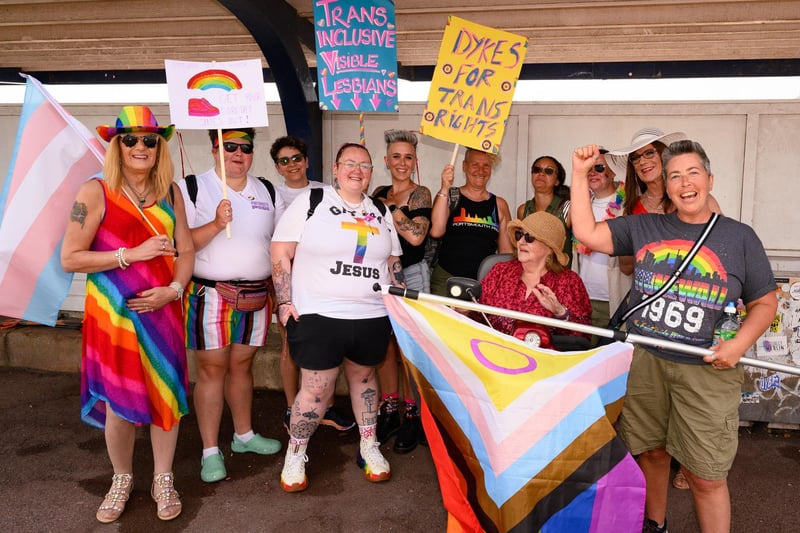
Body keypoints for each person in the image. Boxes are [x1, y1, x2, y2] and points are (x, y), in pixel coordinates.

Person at [570, 141, 777, 533]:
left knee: (706, 475)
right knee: (650, 452)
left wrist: (738, 345)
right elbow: (586, 232)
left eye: (693, 173)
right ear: (666, 185)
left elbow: (765, 302)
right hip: (646, 361)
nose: (685, 183)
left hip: (707, 370)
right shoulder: (645, 226)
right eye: (675, 176)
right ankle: (655, 525)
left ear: (710, 179)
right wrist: (580, 174)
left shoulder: (739, 237)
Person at [61, 105, 194, 522]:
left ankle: (163, 477)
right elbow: (71, 258)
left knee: (164, 396)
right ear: (117, 146)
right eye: (131, 139)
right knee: (119, 403)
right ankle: (121, 477)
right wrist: (129, 255)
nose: (141, 146)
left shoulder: (171, 192)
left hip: (163, 312)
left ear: (160, 147)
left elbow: (186, 250)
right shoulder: (95, 192)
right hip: (114, 317)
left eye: (150, 140)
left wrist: (172, 290)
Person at [271, 142, 403, 493]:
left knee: (364, 378)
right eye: (349, 163)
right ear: (335, 168)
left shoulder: (379, 210)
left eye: (364, 164)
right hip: (318, 313)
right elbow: (281, 250)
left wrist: (399, 301)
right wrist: (284, 301)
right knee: (316, 387)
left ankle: (369, 444)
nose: (357, 170)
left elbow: (392, 260)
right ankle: (296, 453)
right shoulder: (311, 202)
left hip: (370, 313)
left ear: (373, 172)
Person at [178, 128, 286, 484]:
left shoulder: (267, 191)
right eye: (229, 146)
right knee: (211, 370)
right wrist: (215, 224)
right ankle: (210, 449)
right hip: (210, 294)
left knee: (242, 365)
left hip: (256, 295)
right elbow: (181, 243)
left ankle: (243, 435)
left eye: (245, 148)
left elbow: (281, 242)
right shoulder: (190, 187)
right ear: (214, 148)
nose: (238, 153)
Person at [268, 135, 355, 434]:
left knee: (327, 349)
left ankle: (325, 406)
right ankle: (293, 407)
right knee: (291, 347)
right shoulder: (273, 195)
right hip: (288, 283)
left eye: (296, 158)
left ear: (306, 161)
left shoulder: (327, 191)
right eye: (284, 160)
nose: (292, 165)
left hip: (323, 283)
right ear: (278, 167)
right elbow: (276, 246)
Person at [371, 129, 432, 452]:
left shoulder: (420, 194)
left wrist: (390, 209)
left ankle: (413, 414)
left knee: (410, 351)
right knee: (385, 348)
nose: (402, 162)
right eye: (396, 156)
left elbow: (416, 237)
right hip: (381, 276)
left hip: (412, 275)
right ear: (386, 160)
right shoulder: (377, 191)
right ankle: (390, 408)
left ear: (415, 161)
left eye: (408, 157)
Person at [607, 127, 722, 278]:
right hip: (650, 296)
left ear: (665, 156)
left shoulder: (699, 199)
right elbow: (626, 267)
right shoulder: (631, 208)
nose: (642, 161)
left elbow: (722, 247)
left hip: (694, 293)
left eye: (649, 153)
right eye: (635, 158)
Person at [477, 211, 592, 340]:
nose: (521, 242)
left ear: (549, 249)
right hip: (492, 351)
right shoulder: (500, 271)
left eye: (529, 237)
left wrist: (560, 313)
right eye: (519, 235)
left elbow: (583, 337)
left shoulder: (569, 282)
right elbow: (477, 315)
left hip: (543, 358)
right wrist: (464, 311)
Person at [429, 148, 513, 296]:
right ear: (464, 166)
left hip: (484, 282)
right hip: (446, 280)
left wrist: (503, 286)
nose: (481, 170)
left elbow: (506, 253)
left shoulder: (499, 205)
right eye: (475, 165)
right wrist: (444, 187)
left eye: (486, 165)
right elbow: (436, 231)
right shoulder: (450, 196)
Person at [573, 149, 631, 327]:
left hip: (614, 299)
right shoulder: (580, 204)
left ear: (612, 172)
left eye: (598, 168)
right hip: (583, 298)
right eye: (589, 168)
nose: (592, 173)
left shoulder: (627, 205)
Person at [516, 155, 573, 268]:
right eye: (537, 170)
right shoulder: (523, 210)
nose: (541, 174)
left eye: (548, 171)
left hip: (560, 277)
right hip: (531, 276)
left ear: (557, 181)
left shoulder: (568, 209)